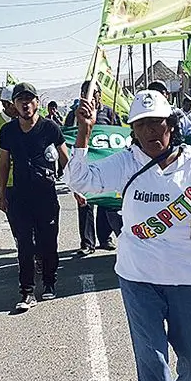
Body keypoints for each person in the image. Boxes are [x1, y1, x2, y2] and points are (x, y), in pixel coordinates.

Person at [64, 89, 191, 381]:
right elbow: (80, 182)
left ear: (172, 126)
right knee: (150, 353)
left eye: (158, 123)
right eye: (142, 125)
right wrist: (84, 134)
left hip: (189, 276)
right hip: (138, 276)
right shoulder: (126, 162)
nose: (152, 132)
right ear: (133, 131)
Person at [0, 82, 69, 311]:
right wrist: (2, 195)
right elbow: (4, 163)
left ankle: (49, 282)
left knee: (48, 242)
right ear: (14, 105)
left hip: (46, 195)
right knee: (25, 245)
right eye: (20, 100)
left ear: (37, 102)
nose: (25, 104)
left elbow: (65, 159)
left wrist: (77, 187)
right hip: (19, 196)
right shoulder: (7, 131)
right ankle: (27, 292)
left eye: (29, 100)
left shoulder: (50, 127)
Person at [67, 81, 123, 256]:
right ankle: (87, 242)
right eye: (85, 92)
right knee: (85, 204)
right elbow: (67, 138)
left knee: (106, 203)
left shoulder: (110, 113)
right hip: (84, 165)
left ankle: (105, 238)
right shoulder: (74, 115)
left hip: (106, 167)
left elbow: (120, 137)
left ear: (100, 94)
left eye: (93, 92)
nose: (90, 95)